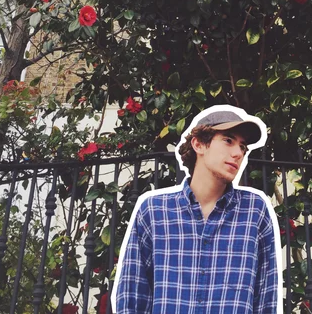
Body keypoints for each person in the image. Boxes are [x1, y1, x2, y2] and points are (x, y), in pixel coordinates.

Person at [112, 104, 282, 313]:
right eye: (228, 140)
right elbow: (131, 298)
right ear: (199, 144)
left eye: (243, 147)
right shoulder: (155, 212)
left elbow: (266, 300)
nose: (238, 153)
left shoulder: (254, 212)